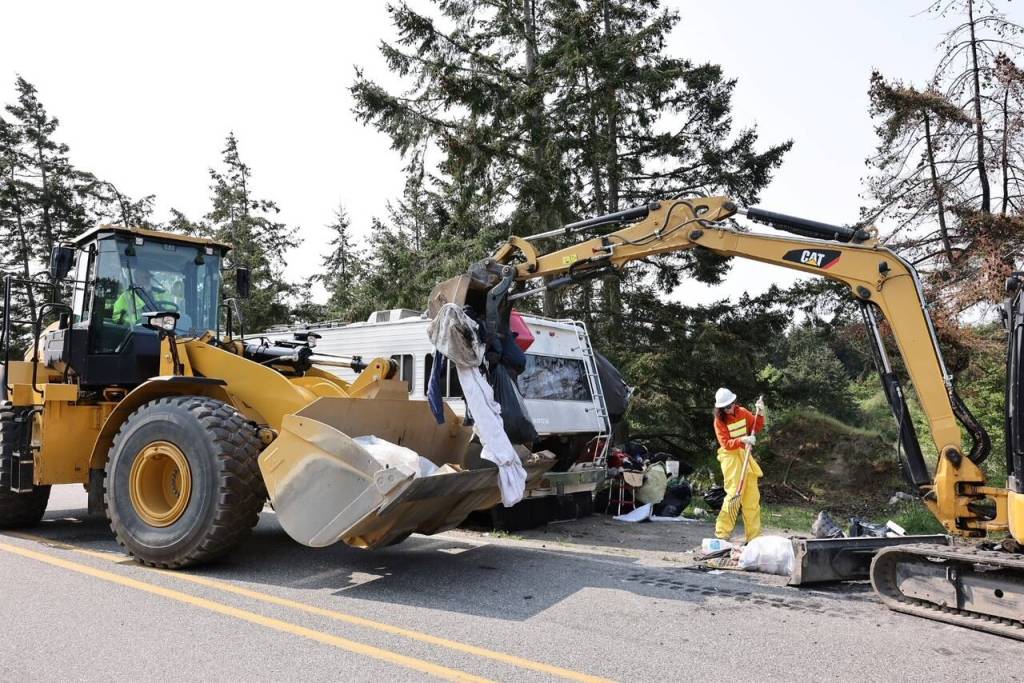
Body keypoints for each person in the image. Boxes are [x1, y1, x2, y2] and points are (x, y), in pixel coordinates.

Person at [712, 387, 766, 543]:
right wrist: (742, 440)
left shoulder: (742, 412)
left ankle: (754, 537)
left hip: (745, 455)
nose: (728, 410)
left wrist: (761, 413)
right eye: (724, 408)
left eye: (730, 406)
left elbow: (756, 426)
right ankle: (722, 534)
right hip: (730, 457)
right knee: (734, 493)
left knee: (752, 497)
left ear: (734, 402)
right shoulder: (719, 421)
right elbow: (725, 443)